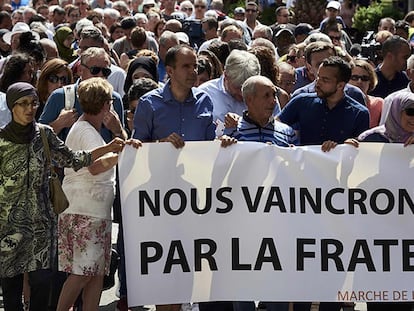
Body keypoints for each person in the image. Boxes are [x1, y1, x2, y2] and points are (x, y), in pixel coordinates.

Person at [0, 82, 126, 311]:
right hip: (9, 224)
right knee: (12, 287)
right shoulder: (2, 140)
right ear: (11, 106)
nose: (30, 108)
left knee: (44, 282)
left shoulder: (44, 133)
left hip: (42, 221)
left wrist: (110, 146)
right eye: (23, 104)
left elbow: (76, 159)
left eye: (34, 103)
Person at [56, 77, 141, 311]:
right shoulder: (85, 131)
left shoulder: (88, 129)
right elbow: (95, 166)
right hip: (84, 211)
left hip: (94, 212)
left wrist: (118, 137)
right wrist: (121, 152)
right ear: (105, 105)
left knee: (94, 275)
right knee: (82, 274)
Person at [39, 47, 126, 142]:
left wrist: (118, 131)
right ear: (80, 69)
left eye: (106, 72)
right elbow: (38, 139)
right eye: (95, 70)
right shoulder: (60, 96)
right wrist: (58, 124)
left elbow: (123, 144)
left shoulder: (114, 99)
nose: (100, 75)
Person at [198, 49, 261, 127]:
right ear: (226, 76)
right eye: (237, 88)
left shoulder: (266, 95)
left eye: (247, 88)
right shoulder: (204, 94)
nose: (242, 94)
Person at [348, 59, 383, 128]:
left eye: (364, 78)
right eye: (354, 77)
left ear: (370, 81)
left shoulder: (379, 104)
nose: (359, 81)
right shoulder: (338, 103)